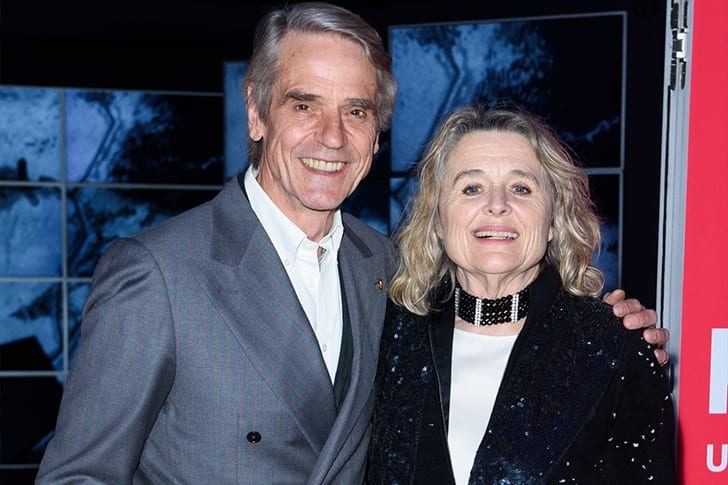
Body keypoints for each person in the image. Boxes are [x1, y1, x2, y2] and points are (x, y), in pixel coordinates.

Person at [36, 3, 667, 484]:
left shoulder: (389, 272)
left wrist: (606, 331)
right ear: (256, 112)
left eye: (357, 111)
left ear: (377, 132)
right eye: (304, 105)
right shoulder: (158, 272)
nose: (332, 137)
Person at [367, 105, 676, 484]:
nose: (497, 205)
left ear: (553, 220)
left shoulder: (613, 349)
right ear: (438, 219)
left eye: (521, 188)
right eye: (472, 188)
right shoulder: (390, 336)